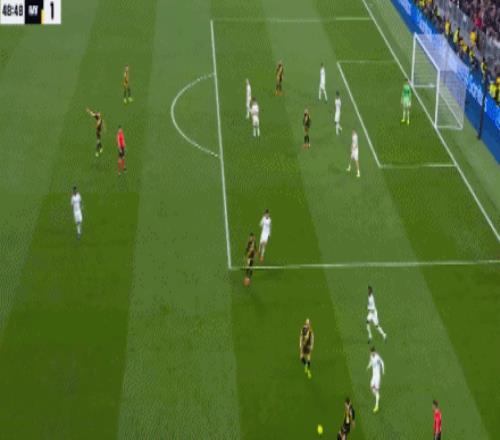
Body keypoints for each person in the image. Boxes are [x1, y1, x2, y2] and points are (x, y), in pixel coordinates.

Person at [367, 347, 385, 413]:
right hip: (373, 375)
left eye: (372, 352)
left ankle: (377, 406)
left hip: (377, 376)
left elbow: (382, 362)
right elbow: (371, 362)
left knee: (376, 390)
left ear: (374, 351)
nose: (371, 353)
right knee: (371, 386)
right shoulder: (371, 356)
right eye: (371, 352)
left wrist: (383, 370)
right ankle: (377, 396)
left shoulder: (377, 357)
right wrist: (368, 366)